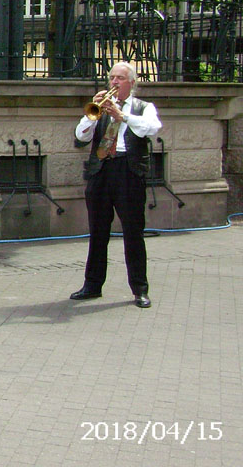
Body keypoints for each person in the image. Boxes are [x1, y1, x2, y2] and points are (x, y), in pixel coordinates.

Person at [71, 61, 162, 308]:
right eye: (112, 77)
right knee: (97, 232)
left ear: (132, 83)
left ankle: (140, 289)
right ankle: (92, 286)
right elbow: (80, 136)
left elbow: (152, 129)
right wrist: (94, 113)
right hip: (101, 170)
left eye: (120, 78)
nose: (114, 82)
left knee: (133, 232)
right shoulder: (100, 106)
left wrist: (123, 116)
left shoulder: (144, 108)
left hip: (128, 171)